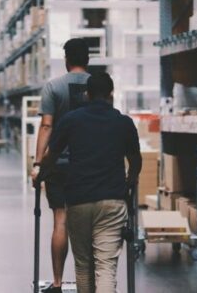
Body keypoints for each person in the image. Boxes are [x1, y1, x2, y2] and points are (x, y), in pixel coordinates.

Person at [39, 73, 142, 293]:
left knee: (84, 266)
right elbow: (136, 162)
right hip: (112, 202)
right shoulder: (124, 123)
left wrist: (39, 175)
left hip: (78, 201)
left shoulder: (71, 120)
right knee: (105, 267)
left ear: (87, 94)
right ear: (111, 94)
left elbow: (52, 155)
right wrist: (128, 184)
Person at [31, 38, 91, 293]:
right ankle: (86, 283)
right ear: (87, 59)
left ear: (66, 59)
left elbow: (46, 125)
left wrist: (37, 163)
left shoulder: (53, 87)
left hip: (58, 164)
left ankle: (56, 283)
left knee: (61, 221)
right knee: (88, 223)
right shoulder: (98, 86)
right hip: (88, 164)